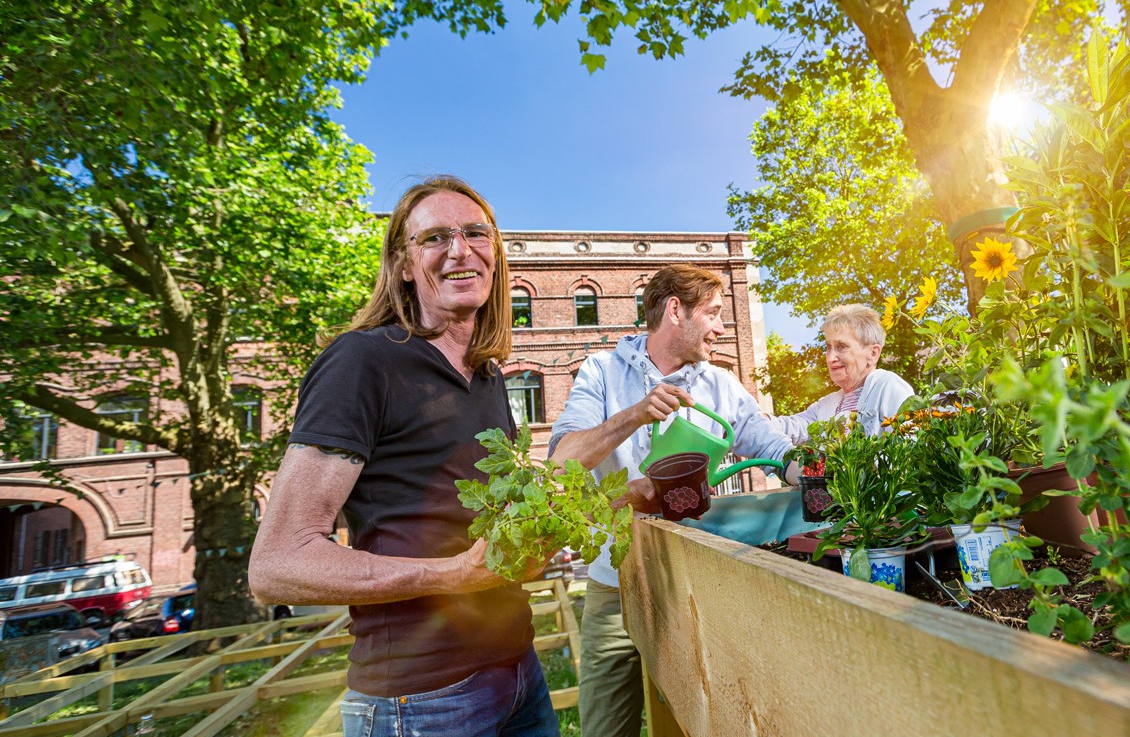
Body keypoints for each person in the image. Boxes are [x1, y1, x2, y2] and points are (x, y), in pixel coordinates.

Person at [248, 176, 558, 737]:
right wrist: (458, 574)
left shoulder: (487, 375)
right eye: (435, 238)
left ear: (495, 254)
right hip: (422, 703)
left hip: (520, 675)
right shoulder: (362, 362)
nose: (460, 250)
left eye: (474, 233)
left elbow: (467, 525)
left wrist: (527, 546)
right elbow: (276, 565)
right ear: (404, 265)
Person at [548, 263, 794, 737]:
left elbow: (771, 447)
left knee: (704, 718)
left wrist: (810, 470)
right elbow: (562, 462)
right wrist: (635, 415)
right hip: (613, 580)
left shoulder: (720, 384)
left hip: (698, 579)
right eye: (714, 314)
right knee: (604, 726)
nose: (722, 328)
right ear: (675, 311)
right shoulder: (601, 370)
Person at [774, 303, 914, 463]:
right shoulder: (826, 405)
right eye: (828, 347)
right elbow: (791, 427)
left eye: (842, 347)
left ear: (873, 353)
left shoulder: (887, 386)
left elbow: (910, 450)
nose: (830, 357)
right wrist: (753, 418)